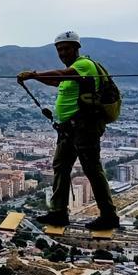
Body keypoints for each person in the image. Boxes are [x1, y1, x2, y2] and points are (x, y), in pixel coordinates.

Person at [17, 31, 119, 231]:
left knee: (92, 169)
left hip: (85, 127)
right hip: (68, 129)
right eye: (59, 49)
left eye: (66, 48)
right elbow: (57, 80)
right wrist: (36, 79)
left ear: (76, 48)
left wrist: (33, 75)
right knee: (61, 167)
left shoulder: (84, 65)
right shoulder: (73, 71)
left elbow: (61, 75)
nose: (63, 52)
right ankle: (58, 213)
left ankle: (109, 215)